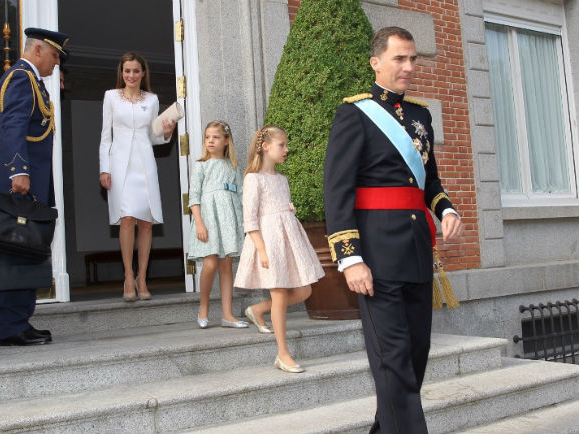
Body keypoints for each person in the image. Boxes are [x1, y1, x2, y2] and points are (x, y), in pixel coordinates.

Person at [323, 27, 463, 433]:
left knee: (415, 354)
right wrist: (350, 259)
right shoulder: (355, 112)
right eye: (399, 58)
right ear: (376, 62)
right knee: (393, 359)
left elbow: (428, 182)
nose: (408, 66)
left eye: (413, 59)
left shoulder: (420, 115)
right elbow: (338, 191)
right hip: (376, 254)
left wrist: (447, 210)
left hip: (418, 252)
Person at [0, 27, 69, 346]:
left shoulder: (34, 82)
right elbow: (13, 125)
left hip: (28, 186)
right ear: (38, 50)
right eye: (55, 55)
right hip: (15, 184)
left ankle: (20, 320)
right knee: (11, 253)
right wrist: (18, 171)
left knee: (27, 251)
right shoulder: (21, 78)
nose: (56, 62)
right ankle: (10, 327)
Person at [235, 125, 325, 373]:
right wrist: (262, 250)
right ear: (265, 147)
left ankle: (257, 309)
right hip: (269, 241)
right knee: (280, 294)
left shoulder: (282, 179)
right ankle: (283, 354)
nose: (287, 149)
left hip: (288, 240)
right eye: (282, 145)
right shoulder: (253, 179)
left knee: (305, 289)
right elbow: (250, 219)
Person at [98, 52, 176, 301]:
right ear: (121, 72)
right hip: (119, 164)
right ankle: (128, 276)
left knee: (145, 221)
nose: (131, 75)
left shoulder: (152, 100)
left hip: (144, 163)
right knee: (127, 217)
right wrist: (104, 168)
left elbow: (154, 138)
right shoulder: (110, 97)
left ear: (143, 73)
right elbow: (105, 136)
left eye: (135, 71)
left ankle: (143, 277)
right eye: (127, 70)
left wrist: (167, 132)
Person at [188, 121, 248, 329]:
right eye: (207, 137)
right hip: (209, 219)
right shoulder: (201, 165)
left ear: (226, 141)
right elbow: (194, 198)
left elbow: (241, 197)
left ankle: (227, 314)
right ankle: (203, 308)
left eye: (215, 137)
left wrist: (242, 225)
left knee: (226, 265)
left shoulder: (233, 167)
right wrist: (199, 224)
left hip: (229, 221)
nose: (210, 141)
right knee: (210, 263)